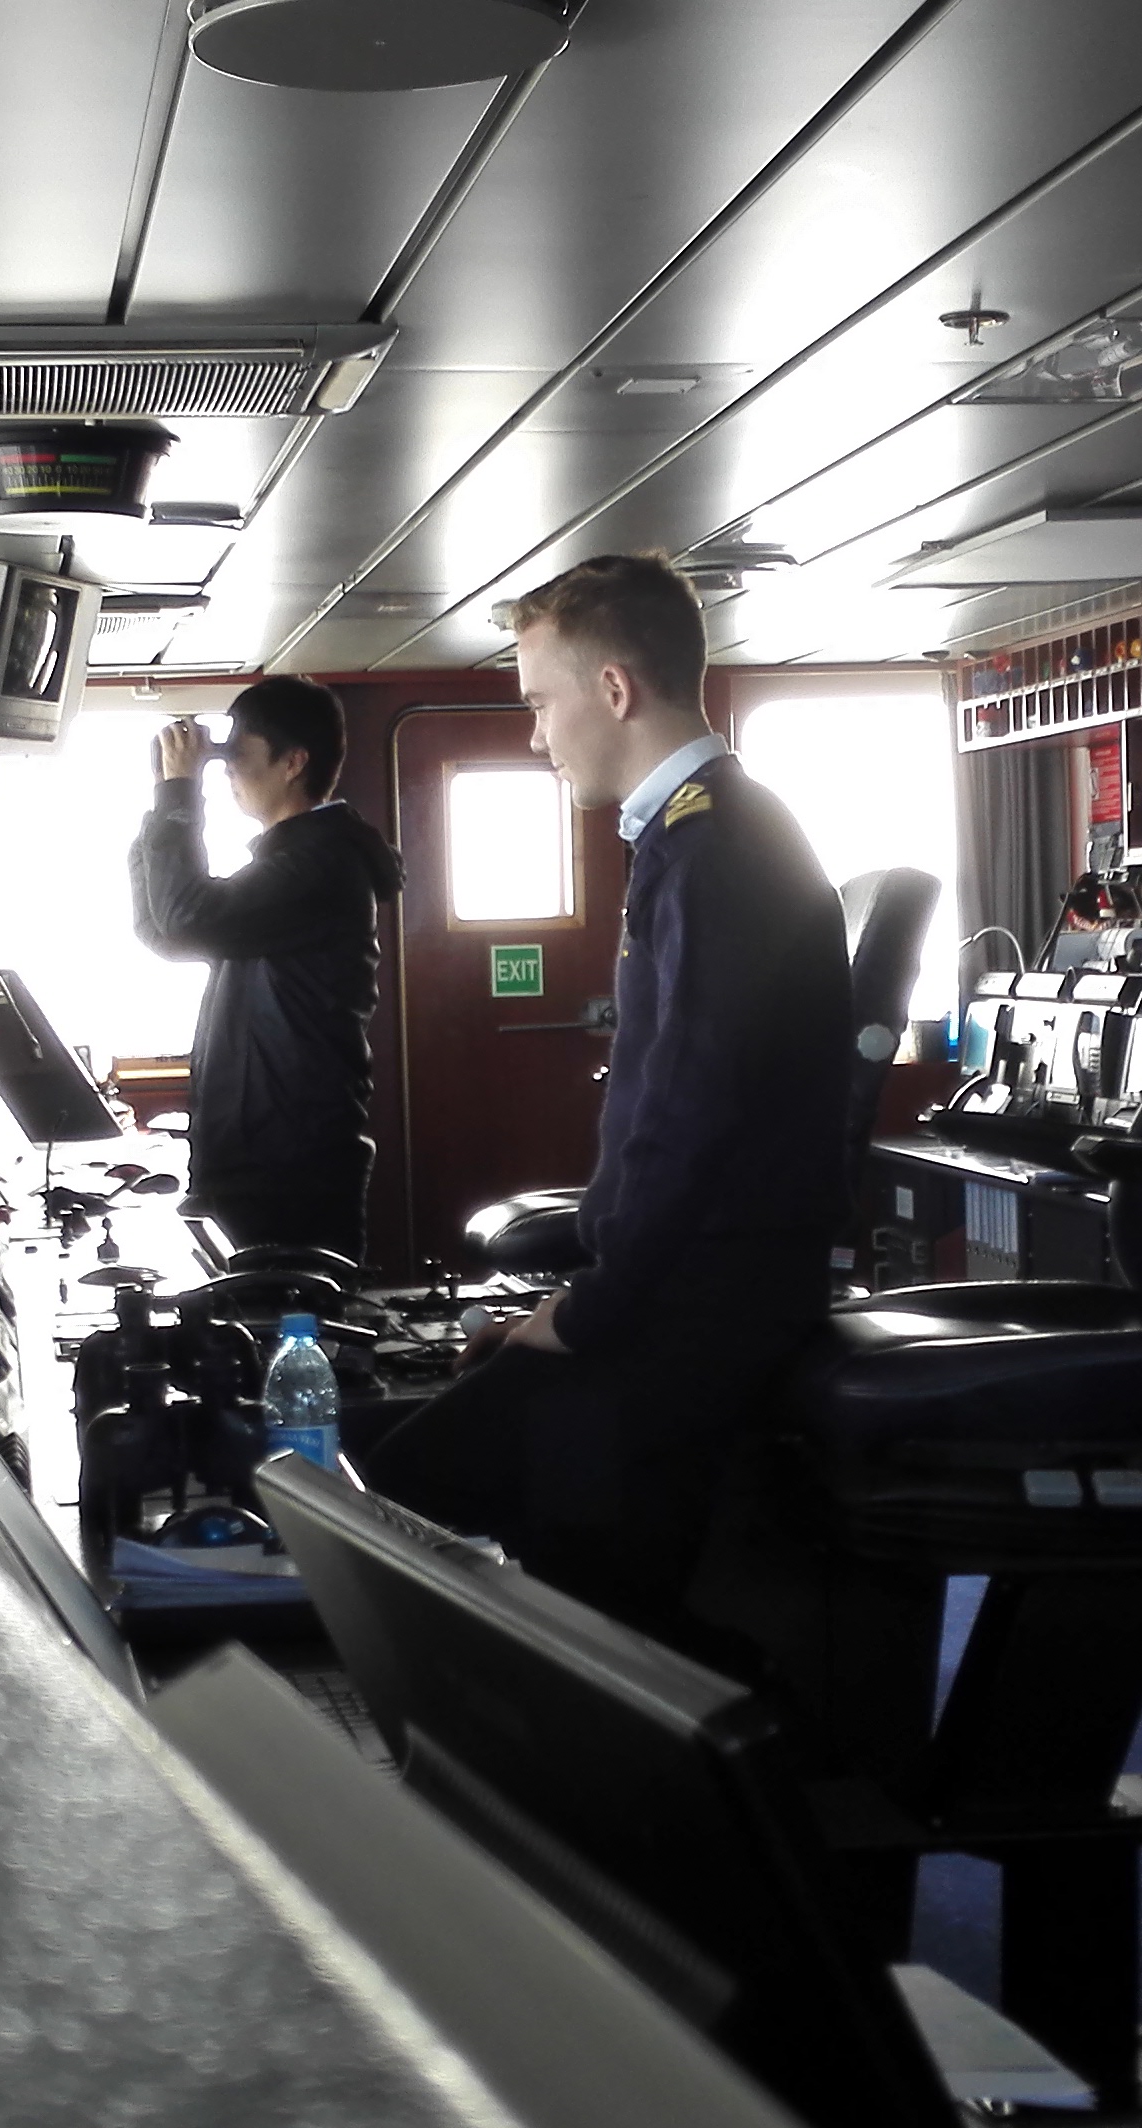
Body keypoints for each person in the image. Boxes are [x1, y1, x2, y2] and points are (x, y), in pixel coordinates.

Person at [365, 554, 854, 1648]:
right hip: (681, 1287)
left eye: (541, 701)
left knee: (403, 1483)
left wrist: (585, 1314)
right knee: (427, 1459)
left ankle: (600, 1729)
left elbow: (690, 1119)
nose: (535, 734)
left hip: (703, 1308)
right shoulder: (696, 833)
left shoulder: (716, 849)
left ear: (615, 689)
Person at [129, 676, 402, 1263]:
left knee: (292, 1318)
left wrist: (179, 794)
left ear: (293, 762)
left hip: (288, 1164)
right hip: (262, 1152)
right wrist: (161, 801)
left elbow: (185, 918)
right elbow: (166, 935)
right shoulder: (295, 861)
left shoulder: (319, 863)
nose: (227, 769)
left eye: (238, 753)